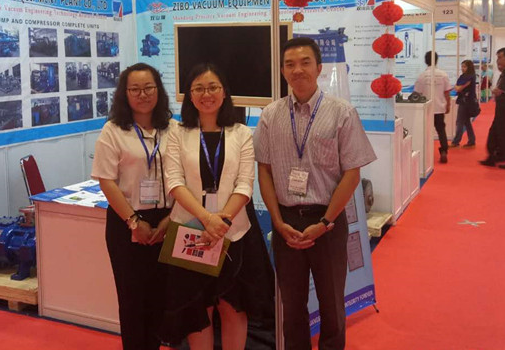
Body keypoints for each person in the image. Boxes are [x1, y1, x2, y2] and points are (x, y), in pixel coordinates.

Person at [254, 37, 376, 350]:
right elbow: (264, 170)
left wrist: (324, 222)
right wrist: (278, 222)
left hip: (328, 223)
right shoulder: (270, 115)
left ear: (319, 68)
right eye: (290, 64)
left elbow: (352, 174)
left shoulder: (342, 113)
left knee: (332, 303)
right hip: (286, 223)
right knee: (292, 306)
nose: (298, 70)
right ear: (283, 71)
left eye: (305, 62)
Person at [161, 63, 264, 350]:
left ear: (224, 92)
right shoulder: (177, 133)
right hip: (190, 230)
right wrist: (207, 219)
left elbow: (245, 184)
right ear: (190, 95)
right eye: (199, 88)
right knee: (197, 310)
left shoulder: (241, 133)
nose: (206, 94)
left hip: (234, 232)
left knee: (232, 305)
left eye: (213, 87)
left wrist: (221, 222)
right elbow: (174, 182)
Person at [91, 63, 174, 350]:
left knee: (160, 298)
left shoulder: (173, 128)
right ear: (124, 94)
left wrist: (171, 219)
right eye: (135, 89)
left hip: (167, 221)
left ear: (158, 90)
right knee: (132, 300)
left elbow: (185, 177)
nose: (143, 95)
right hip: (126, 222)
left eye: (148, 88)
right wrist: (134, 222)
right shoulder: (113, 131)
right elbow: (106, 180)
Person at [413, 51, 453, 163]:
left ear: (426, 61)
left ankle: (424, 152)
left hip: (426, 108)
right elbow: (447, 92)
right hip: (439, 107)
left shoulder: (422, 76)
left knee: (425, 131)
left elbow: (416, 94)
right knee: (441, 130)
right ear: (436, 60)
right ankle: (444, 150)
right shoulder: (443, 74)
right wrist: (448, 105)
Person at [451, 59, 478, 148]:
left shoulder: (469, 77)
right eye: (462, 66)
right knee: (466, 122)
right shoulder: (465, 76)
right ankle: (471, 140)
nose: (462, 68)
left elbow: (458, 88)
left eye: (464, 67)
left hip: (466, 102)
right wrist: (457, 87)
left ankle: (456, 141)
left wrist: (457, 87)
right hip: (465, 101)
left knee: (460, 121)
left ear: (469, 67)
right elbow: (457, 86)